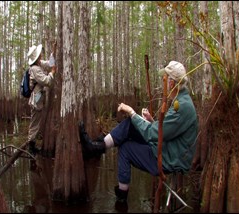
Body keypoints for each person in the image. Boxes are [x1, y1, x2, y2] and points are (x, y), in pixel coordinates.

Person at [79, 61, 198, 205]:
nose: (162, 82)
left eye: (164, 79)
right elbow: (167, 131)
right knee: (130, 125)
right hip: (169, 150)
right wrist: (150, 120)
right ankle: (95, 147)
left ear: (171, 83)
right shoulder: (181, 100)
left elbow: (155, 134)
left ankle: (122, 197)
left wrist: (132, 112)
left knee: (125, 147)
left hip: (170, 159)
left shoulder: (182, 106)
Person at [27, 44, 56, 155]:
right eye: (40, 54)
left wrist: (53, 52)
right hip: (36, 98)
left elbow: (49, 64)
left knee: (36, 120)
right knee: (35, 121)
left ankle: (32, 143)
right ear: (37, 56)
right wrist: (52, 73)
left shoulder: (39, 64)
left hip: (38, 96)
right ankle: (31, 146)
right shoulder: (35, 69)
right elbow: (47, 81)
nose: (41, 55)